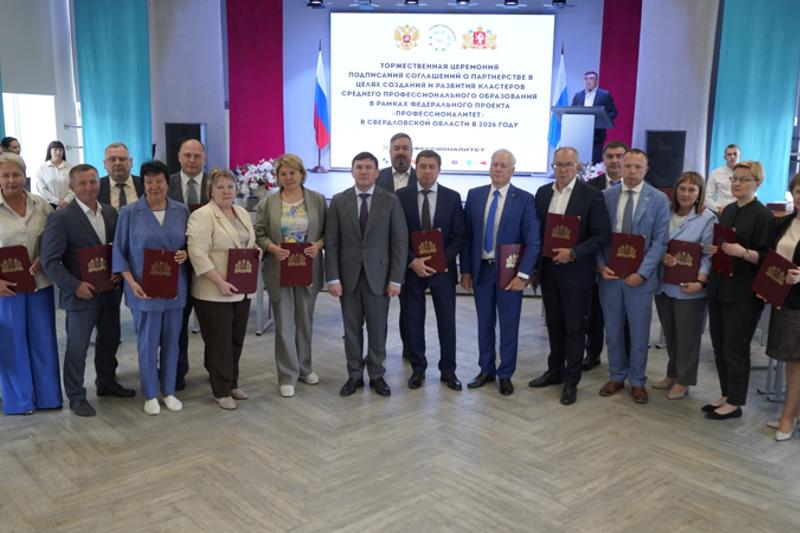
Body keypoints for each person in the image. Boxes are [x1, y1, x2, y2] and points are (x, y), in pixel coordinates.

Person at [40, 164, 136, 417]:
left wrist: (118, 270)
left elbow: (118, 248)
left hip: (109, 291)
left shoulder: (110, 212)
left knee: (110, 340)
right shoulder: (61, 218)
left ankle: (106, 383)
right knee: (78, 347)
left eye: (93, 182)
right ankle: (76, 396)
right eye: (82, 183)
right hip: (81, 295)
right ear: (72, 187)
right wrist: (75, 286)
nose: (89, 187)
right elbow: (50, 261)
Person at [528, 147, 610, 405]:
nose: (562, 170)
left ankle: (571, 381)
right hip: (548, 270)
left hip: (576, 272)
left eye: (568, 165)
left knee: (575, 328)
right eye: (558, 165)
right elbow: (536, 233)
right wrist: (533, 269)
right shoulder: (543, 193)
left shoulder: (592, 195)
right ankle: (555, 371)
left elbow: (602, 235)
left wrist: (573, 253)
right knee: (554, 324)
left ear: (578, 166)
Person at [325, 152, 408, 397]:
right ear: (352, 171)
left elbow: (399, 242)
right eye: (359, 167)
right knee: (351, 330)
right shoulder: (339, 201)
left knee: (377, 329)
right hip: (347, 278)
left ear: (377, 172)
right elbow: (332, 242)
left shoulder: (390, 201)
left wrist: (395, 279)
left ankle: (376, 375)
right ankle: (354, 375)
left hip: (379, 279)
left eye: (368, 167)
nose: (363, 171)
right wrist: (333, 278)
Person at [460, 149, 541, 396]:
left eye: (503, 166)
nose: (498, 169)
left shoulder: (524, 199)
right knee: (484, 323)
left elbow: (533, 241)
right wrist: (465, 270)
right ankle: (486, 369)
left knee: (508, 325)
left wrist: (524, 275)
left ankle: (505, 374)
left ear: (512, 171)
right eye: (495, 164)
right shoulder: (475, 195)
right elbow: (467, 237)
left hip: (510, 274)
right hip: (482, 271)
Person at [112, 160, 190, 415]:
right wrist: (131, 283)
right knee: (147, 344)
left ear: (168, 183)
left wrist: (186, 254)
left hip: (174, 287)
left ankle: (168, 390)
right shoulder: (130, 212)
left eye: (159, 181)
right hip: (143, 290)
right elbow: (119, 251)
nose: (154, 186)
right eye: (149, 182)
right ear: (142, 184)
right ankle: (149, 394)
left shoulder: (181, 210)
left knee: (172, 342)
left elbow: (190, 244)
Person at [596, 149, 670, 404]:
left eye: (638, 167)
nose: (631, 171)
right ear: (620, 167)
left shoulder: (659, 199)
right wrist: (600, 265)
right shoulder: (606, 196)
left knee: (639, 333)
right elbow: (598, 236)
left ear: (646, 170)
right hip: (611, 277)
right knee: (613, 330)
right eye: (627, 166)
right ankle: (616, 376)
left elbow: (660, 241)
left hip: (640, 280)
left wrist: (642, 273)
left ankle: (637, 380)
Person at [255, 154, 326, 398]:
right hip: (279, 269)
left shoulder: (317, 200)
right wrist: (273, 248)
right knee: (284, 323)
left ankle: (305, 367)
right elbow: (259, 233)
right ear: (277, 177)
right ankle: (287, 375)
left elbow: (328, 231)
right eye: (283, 173)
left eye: (292, 173)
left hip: (308, 269)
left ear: (302, 174)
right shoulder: (268, 202)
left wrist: (318, 245)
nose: (288, 177)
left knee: (304, 322)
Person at [705, 161, 772, 420]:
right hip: (720, 285)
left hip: (743, 292)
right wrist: (716, 250)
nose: (737, 183)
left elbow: (767, 258)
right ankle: (726, 393)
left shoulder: (763, 216)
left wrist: (742, 252)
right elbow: (723, 244)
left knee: (735, 348)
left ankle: (735, 402)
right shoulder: (729, 209)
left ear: (757, 183)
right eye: (735, 178)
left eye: (744, 179)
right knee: (719, 345)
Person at [187, 168, 257, 410]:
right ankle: (221, 390)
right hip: (213, 291)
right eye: (220, 187)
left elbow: (247, 242)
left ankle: (232, 382)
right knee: (220, 343)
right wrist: (219, 282)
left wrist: (255, 251)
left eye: (230, 186)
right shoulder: (202, 216)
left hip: (242, 288)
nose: (226, 191)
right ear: (211, 190)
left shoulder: (242, 213)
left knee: (236, 339)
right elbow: (197, 253)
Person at [397, 150, 466, 391]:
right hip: (412, 270)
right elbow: (397, 235)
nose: (427, 171)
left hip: (443, 271)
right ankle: (418, 369)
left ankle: (449, 371)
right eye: (423, 166)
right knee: (413, 321)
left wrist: (441, 260)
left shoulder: (452, 197)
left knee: (446, 322)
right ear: (416, 168)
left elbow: (459, 235)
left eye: (432, 167)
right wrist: (412, 261)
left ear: (439, 169)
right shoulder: (401, 196)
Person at [0, 153, 62, 415]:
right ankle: (20, 401)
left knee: (43, 340)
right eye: (5, 175)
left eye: (16, 174)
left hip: (40, 282)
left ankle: (49, 397)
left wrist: (43, 257)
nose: (11, 180)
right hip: (7, 288)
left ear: (24, 176)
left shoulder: (40, 204)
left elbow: (54, 236)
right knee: (12, 344)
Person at [652, 172, 715, 400]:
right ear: (675, 190)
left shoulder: (708, 218)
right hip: (663, 283)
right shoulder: (664, 212)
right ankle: (672, 373)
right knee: (670, 333)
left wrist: (700, 281)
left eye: (692, 190)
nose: (686, 194)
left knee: (687, 336)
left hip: (690, 287)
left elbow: (708, 255)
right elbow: (655, 242)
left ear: (699, 193)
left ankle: (684, 380)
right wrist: (661, 256)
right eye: (682, 188)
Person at [167, 138, 209, 391]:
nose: (192, 160)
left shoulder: (215, 183)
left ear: (204, 157)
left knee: (212, 326)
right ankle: (176, 372)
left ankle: (217, 372)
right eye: (187, 155)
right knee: (177, 325)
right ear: (179, 157)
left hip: (210, 268)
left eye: (197, 155)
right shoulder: (166, 183)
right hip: (176, 267)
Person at [584, 141, 630, 370]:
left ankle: (623, 359)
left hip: (627, 259)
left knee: (625, 313)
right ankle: (592, 353)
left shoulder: (639, 187)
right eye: (610, 156)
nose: (614, 160)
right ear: (603, 159)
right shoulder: (590, 187)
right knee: (594, 311)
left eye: (619, 156)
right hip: (597, 258)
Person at [376, 132, 417, 363]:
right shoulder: (377, 176)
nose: (401, 152)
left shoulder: (421, 177)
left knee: (409, 309)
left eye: (405, 148)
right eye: (396, 148)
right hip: (380, 255)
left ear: (411, 152)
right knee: (378, 309)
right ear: (390, 152)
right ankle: (377, 352)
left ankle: (409, 351)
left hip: (409, 256)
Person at [765, 172, 800, 440]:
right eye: (798, 191)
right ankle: (792, 412)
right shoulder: (786, 221)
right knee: (791, 360)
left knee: (797, 363)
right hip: (785, 299)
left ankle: (787, 417)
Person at [571, 71, 618, 163]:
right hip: (580, 134)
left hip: (597, 135)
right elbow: (572, 111)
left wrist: (603, 120)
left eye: (591, 78)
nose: (588, 81)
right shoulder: (578, 96)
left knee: (595, 161)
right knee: (580, 160)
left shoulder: (604, 95)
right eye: (586, 79)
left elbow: (613, 112)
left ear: (596, 81)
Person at [99, 142, 143, 210]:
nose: (117, 163)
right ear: (105, 164)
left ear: (131, 162)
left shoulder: (144, 184)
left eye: (122, 159)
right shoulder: (97, 187)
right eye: (112, 159)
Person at [35, 140, 73, 208]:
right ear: (50, 151)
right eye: (55, 150)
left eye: (60, 150)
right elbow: (42, 189)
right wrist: (57, 201)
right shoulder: (42, 169)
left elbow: (74, 187)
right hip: (50, 205)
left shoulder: (70, 168)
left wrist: (66, 201)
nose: (58, 152)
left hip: (68, 204)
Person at [705, 144, 740, 213]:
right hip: (721, 211)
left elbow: (752, 195)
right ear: (724, 157)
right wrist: (719, 209)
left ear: (740, 156)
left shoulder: (747, 173)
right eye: (729, 154)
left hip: (740, 211)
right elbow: (707, 198)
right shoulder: (715, 173)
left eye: (735, 154)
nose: (732, 157)